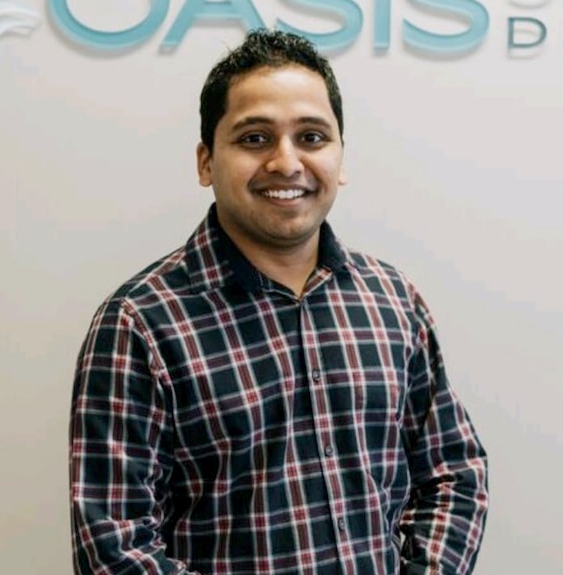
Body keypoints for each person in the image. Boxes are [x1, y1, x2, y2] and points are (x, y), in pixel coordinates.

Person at [70, 29, 488, 575]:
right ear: (205, 162)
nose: (286, 163)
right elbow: (113, 544)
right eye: (254, 139)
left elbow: (453, 471)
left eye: (312, 137)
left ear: (340, 159)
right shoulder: (141, 323)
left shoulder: (392, 300)